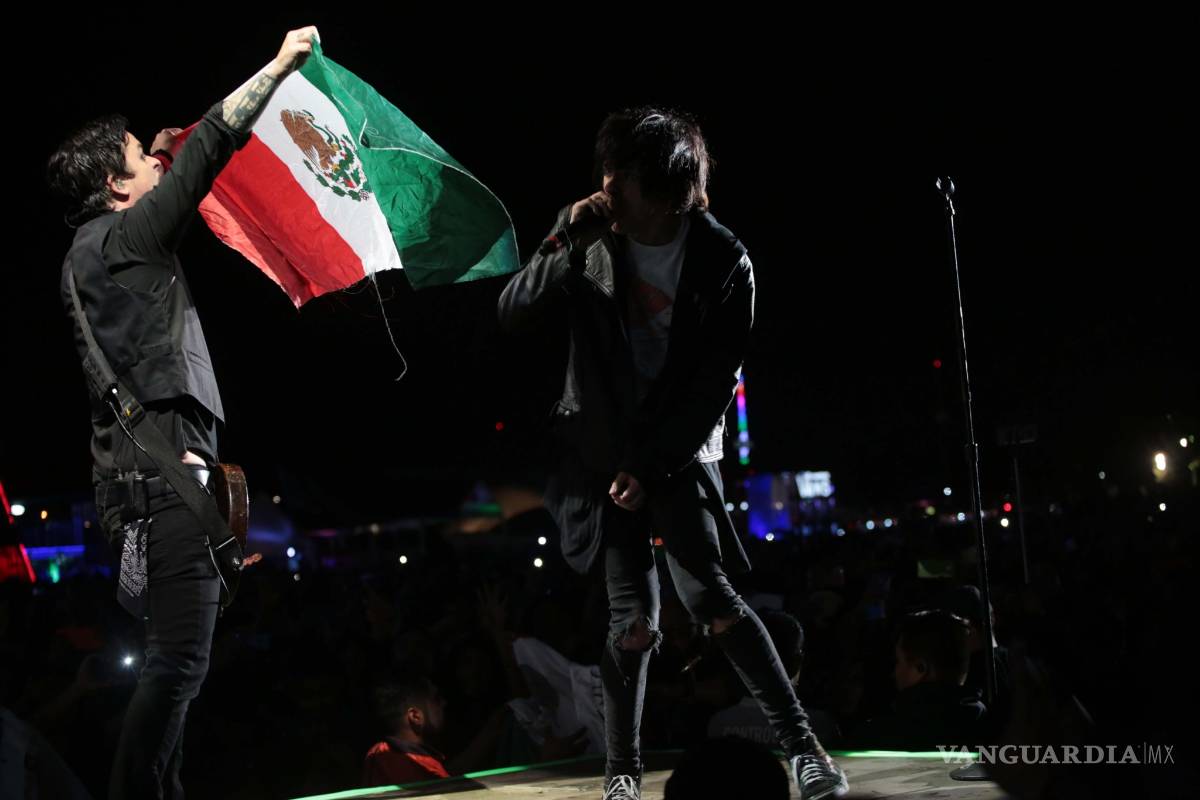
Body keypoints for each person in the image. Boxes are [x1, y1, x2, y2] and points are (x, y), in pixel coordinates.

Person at [498, 107, 847, 800]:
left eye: (620, 177)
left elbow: (712, 386)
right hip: (604, 445)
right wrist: (565, 239)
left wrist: (652, 465)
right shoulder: (590, 236)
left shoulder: (725, 262)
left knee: (710, 597)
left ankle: (806, 752)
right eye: (606, 171)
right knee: (631, 622)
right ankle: (621, 774)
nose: (606, 187)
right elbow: (512, 308)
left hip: (682, 448)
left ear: (667, 191)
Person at [46, 26, 319, 799]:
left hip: (140, 492)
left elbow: (173, 163)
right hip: (162, 490)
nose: (155, 164)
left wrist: (157, 153)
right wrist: (279, 62)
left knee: (178, 663)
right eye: (138, 157)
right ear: (115, 185)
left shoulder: (89, 253)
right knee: (179, 664)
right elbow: (212, 147)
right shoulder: (129, 239)